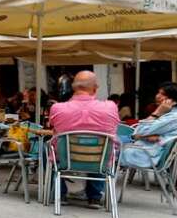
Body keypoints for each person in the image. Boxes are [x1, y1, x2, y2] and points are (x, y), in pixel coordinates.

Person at [49, 71, 120, 208]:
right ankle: (94, 196)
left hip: (66, 159)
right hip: (99, 161)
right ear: (95, 88)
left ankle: (60, 193)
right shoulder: (110, 107)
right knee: (103, 152)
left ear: (73, 87)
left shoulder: (58, 108)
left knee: (48, 149)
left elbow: (53, 128)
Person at [119, 82, 177, 171]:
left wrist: (157, 113)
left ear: (173, 101)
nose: (157, 96)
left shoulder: (171, 117)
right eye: (158, 93)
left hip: (145, 156)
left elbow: (138, 132)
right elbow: (138, 133)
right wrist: (145, 136)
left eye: (163, 94)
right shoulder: (169, 114)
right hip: (143, 150)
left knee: (105, 151)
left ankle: (102, 183)